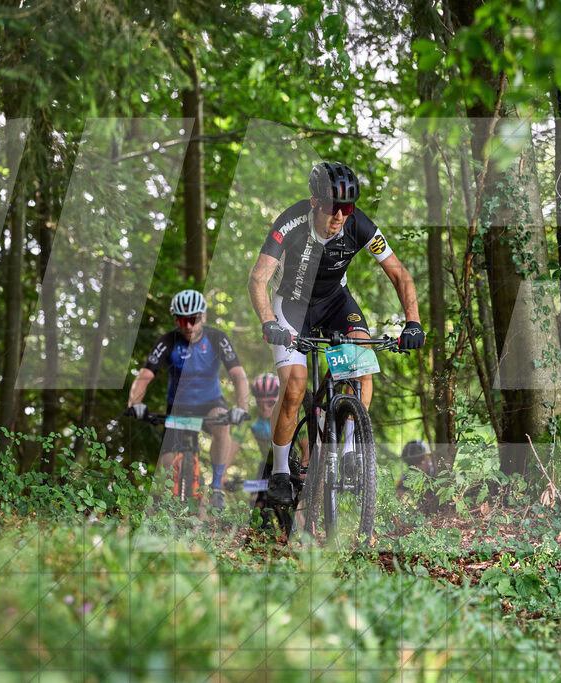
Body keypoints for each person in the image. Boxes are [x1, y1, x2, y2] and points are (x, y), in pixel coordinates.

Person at [247, 161, 425, 507]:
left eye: (347, 209)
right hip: (293, 308)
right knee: (295, 387)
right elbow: (258, 278)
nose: (340, 217)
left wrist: (413, 322)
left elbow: (399, 274)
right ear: (315, 202)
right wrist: (268, 321)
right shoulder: (291, 223)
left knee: (362, 366)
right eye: (333, 208)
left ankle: (347, 451)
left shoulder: (360, 226)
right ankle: (281, 472)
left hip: (335, 303)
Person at [124, 289, 250, 510]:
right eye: (182, 320)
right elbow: (145, 376)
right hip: (178, 407)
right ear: (176, 320)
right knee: (166, 463)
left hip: (210, 403)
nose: (188, 326)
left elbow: (238, 375)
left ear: (203, 317)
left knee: (222, 423)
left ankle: (217, 488)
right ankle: (166, 508)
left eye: (193, 319)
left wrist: (241, 407)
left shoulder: (217, 338)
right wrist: (135, 404)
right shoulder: (168, 340)